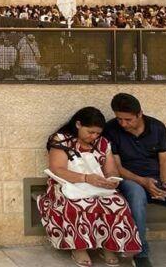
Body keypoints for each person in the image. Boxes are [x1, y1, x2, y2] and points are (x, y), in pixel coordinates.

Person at [37, 106, 141, 266]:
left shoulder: (103, 143)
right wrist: (85, 178)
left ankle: (109, 245)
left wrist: (112, 179)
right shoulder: (61, 139)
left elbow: (111, 169)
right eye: (90, 132)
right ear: (78, 125)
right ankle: (79, 248)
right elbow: (57, 169)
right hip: (66, 184)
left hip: (96, 184)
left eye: (97, 133)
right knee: (77, 204)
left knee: (117, 204)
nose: (94, 136)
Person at [103, 93, 166, 267]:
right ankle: (141, 254)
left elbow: (165, 160)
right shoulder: (111, 129)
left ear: (140, 114)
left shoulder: (157, 127)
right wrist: (143, 182)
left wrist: (165, 184)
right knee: (137, 198)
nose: (123, 124)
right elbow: (116, 167)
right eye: (119, 119)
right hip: (128, 179)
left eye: (128, 119)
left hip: (156, 178)